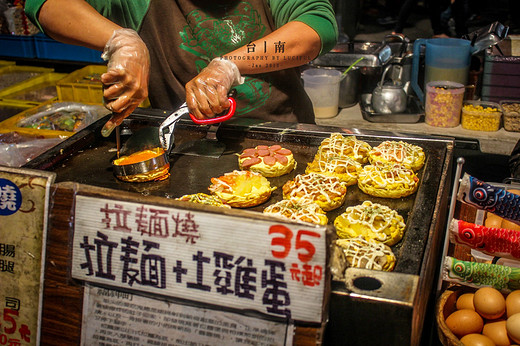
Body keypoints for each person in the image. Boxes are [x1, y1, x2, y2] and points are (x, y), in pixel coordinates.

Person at [24, 0, 338, 136]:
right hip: (184, 142)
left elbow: (316, 27)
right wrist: (121, 40)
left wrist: (227, 66)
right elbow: (46, 6)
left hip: (281, 133)